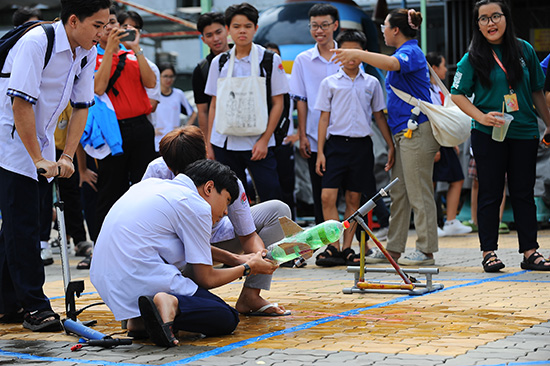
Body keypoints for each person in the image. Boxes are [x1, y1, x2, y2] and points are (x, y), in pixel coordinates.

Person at [0, 0, 110, 332]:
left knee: (22, 225)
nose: (103, 32)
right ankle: (35, 306)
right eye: (97, 25)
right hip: (9, 142)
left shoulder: (87, 51)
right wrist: (36, 160)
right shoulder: (38, 42)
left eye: (106, 25)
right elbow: (20, 104)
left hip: (42, 141)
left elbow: (81, 107)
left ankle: (6, 301)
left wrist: (65, 157)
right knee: (25, 228)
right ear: (74, 20)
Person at [91, 159, 278, 346]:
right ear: (209, 188)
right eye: (227, 200)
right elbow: (206, 278)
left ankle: (139, 322)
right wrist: (247, 268)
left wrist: (235, 258)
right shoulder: (196, 206)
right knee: (227, 316)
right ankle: (171, 303)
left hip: (105, 278)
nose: (226, 212)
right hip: (139, 275)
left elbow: (187, 245)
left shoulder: (151, 185)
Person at [143, 126, 292, 316]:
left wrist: (260, 257)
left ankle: (250, 296)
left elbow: (248, 235)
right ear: (169, 166)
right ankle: (157, 299)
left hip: (217, 241)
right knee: (219, 314)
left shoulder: (225, 179)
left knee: (278, 211)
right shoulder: (157, 172)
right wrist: (240, 262)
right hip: (175, 254)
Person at [333, 8, 440, 266]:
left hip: (417, 131)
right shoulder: (405, 52)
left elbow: (393, 65)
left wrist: (358, 53)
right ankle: (393, 248)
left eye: (385, 27)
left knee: (418, 192)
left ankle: (426, 249)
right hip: (405, 133)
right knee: (399, 191)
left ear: (395, 30)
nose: (382, 31)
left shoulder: (410, 52)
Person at [451, 0, 550, 272]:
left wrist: (549, 123)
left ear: (506, 17)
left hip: (524, 131)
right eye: (484, 19)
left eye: (496, 16)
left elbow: (537, 91)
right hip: (488, 134)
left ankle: (530, 251)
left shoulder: (524, 50)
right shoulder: (472, 57)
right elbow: (456, 94)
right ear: (478, 25)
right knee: (491, 193)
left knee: (523, 193)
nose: (490, 23)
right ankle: (489, 252)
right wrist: (480, 116)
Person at [314, 30, 395, 267]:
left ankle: (348, 248)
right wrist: (320, 151)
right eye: (345, 51)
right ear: (338, 52)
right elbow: (323, 119)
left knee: (354, 198)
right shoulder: (329, 83)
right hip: (336, 145)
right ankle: (333, 246)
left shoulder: (371, 83)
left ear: (364, 53)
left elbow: (379, 116)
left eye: (356, 51)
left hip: (362, 146)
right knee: (327, 196)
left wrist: (390, 145)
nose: (350, 57)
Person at [205, 3, 288, 203]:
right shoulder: (220, 62)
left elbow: (279, 103)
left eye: (248, 26)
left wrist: (265, 140)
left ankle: (277, 235)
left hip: (258, 144)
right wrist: (209, 144)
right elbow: (214, 104)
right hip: (224, 142)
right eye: (236, 26)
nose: (242, 31)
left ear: (255, 29)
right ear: (228, 30)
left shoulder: (269, 60)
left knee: (271, 194)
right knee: (230, 199)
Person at [93, 6, 157, 234]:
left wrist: (137, 48)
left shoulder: (131, 53)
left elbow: (150, 83)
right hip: (113, 131)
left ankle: (146, 236)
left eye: (113, 22)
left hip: (141, 126)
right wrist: (109, 50)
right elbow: (98, 87)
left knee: (144, 186)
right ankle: (105, 241)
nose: (109, 27)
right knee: (111, 188)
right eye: (103, 24)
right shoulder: (93, 55)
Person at [289, 3, 341, 225]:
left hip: (344, 133)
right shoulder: (303, 60)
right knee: (320, 191)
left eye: (324, 25)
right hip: (313, 136)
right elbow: (300, 100)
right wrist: (302, 135)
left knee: (349, 191)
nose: (319, 31)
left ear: (335, 26)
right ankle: (327, 242)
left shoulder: (346, 55)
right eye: (314, 26)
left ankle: (352, 241)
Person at [426, 52, 472, 237]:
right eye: (443, 65)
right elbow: (430, 117)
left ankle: (450, 221)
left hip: (445, 141)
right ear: (434, 68)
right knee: (431, 182)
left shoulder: (440, 89)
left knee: (457, 178)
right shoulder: (426, 89)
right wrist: (435, 146)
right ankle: (432, 223)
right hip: (434, 141)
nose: (446, 69)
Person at [192, 12, 231, 143]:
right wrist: (207, 144)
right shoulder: (201, 70)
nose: (215, 38)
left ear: (227, 31)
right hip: (219, 138)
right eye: (209, 35)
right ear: (203, 39)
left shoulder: (247, 58)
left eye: (218, 32)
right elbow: (203, 111)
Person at [153, 63, 197, 151]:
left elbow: (193, 113)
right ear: (159, 76)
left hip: (174, 141)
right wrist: (151, 131)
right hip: (157, 140)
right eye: (165, 76)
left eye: (171, 76)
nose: (168, 79)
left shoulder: (178, 94)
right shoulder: (153, 94)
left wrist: (184, 130)